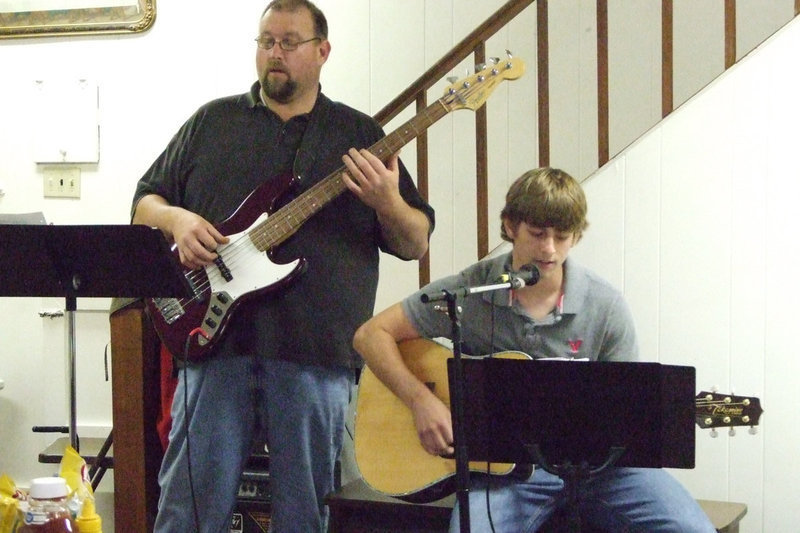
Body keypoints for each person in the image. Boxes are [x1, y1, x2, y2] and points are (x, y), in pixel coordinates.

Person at [130, 1, 435, 531]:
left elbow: (415, 242)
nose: (275, 53)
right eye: (266, 41)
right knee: (187, 510)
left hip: (315, 353)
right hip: (214, 345)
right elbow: (145, 204)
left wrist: (388, 200)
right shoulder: (212, 122)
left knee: (307, 515)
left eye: (289, 42)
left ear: (322, 51)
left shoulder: (359, 135)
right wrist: (178, 220)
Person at [353, 167, 714, 532]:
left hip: (602, 471)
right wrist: (420, 401)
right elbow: (371, 335)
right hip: (508, 474)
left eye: (562, 236)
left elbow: (627, 414)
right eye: (538, 234)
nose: (549, 249)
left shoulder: (604, 306)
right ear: (510, 226)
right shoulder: (472, 290)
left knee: (692, 529)